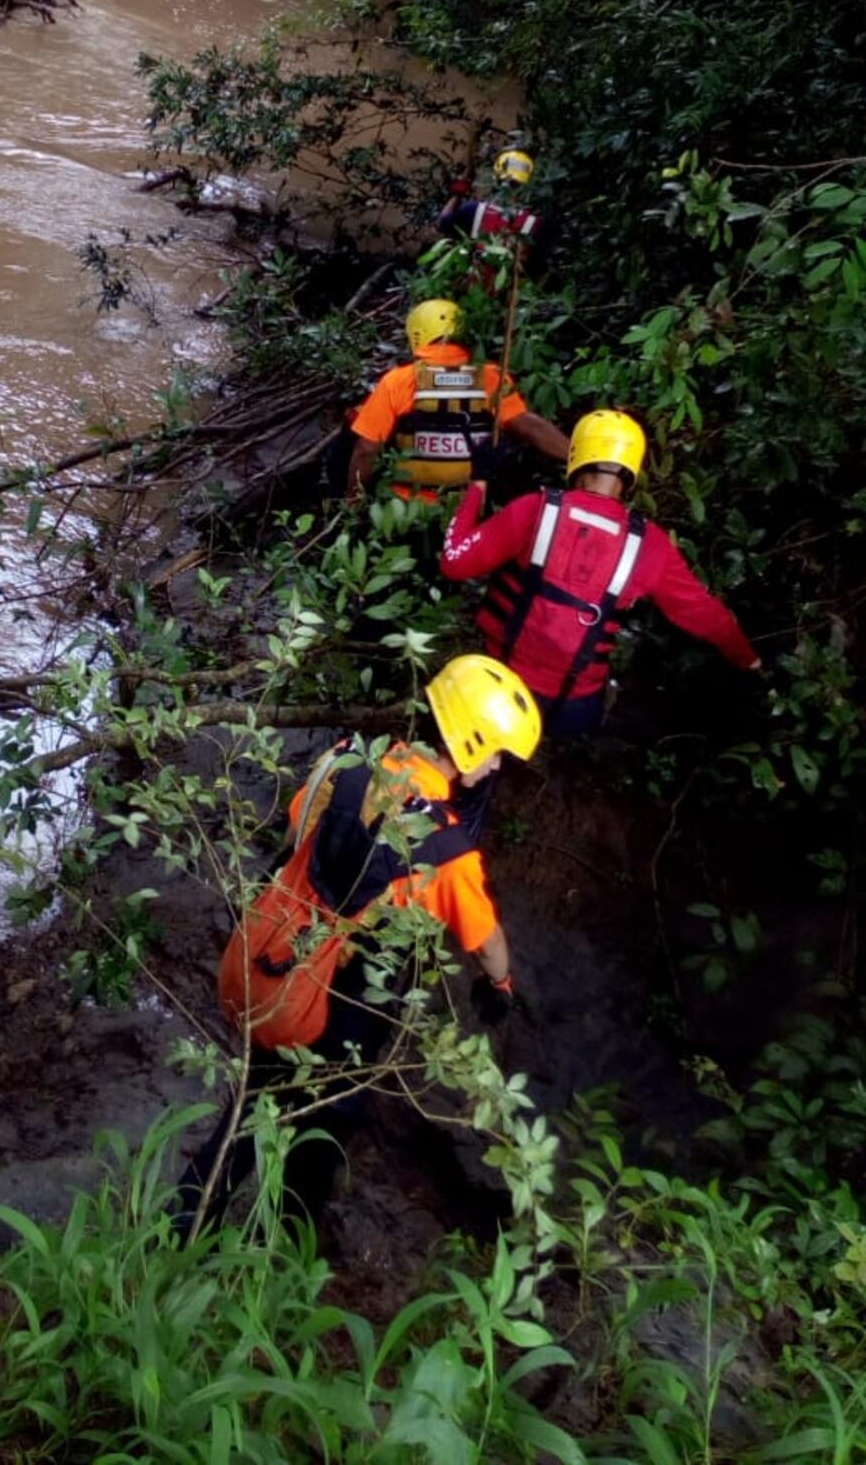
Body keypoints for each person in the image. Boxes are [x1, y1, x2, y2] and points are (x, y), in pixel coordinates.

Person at [173, 655, 541, 1237]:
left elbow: (296, 838)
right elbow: (485, 941)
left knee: (253, 1102)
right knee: (326, 1122)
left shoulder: (344, 761)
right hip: (346, 1002)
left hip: (281, 959)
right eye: (495, 752)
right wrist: (500, 985)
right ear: (469, 743)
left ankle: (184, 1223)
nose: (497, 765)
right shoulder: (447, 852)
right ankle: (287, 1245)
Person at [439, 409, 761, 737]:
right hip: (571, 709)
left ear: (576, 455)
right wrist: (750, 661)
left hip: (498, 689)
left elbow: (453, 562)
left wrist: (478, 482)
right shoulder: (651, 545)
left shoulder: (535, 509)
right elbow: (707, 616)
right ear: (631, 471)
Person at [346, 298, 568, 501]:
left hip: (408, 506)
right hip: (474, 503)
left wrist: (353, 503)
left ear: (417, 334)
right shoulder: (490, 377)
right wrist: (579, 459)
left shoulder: (398, 381)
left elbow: (366, 449)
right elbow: (529, 426)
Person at [437, 147, 543, 262]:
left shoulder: (475, 210)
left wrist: (457, 195)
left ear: (496, 178)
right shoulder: (536, 222)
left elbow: (443, 223)